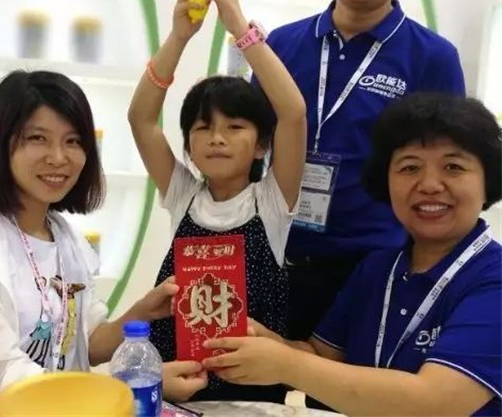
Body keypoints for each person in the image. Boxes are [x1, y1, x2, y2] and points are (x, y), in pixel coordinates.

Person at [255, 0, 466, 361]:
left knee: (343, 392)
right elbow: (249, 150)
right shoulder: (280, 46)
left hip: (372, 271)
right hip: (272, 257)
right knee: (252, 386)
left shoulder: (432, 58)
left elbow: (445, 171)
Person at [203, 93, 502, 417]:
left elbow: (437, 402)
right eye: (410, 167)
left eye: (453, 167)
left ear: (488, 180)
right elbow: (321, 355)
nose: (429, 184)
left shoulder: (492, 278)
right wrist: (267, 342)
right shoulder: (377, 267)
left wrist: (286, 364)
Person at [0, 70, 178, 417]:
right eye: (38, 138)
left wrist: (143, 312)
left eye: (73, 141)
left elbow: (85, 344)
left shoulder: (68, 239)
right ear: (1, 143)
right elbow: (1, 371)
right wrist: (113, 394)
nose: (58, 157)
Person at [128, 0, 307, 402]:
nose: (217, 138)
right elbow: (141, 119)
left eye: (235, 127)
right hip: (179, 388)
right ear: (189, 144)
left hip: (253, 395)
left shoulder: (271, 201)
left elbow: (294, 113)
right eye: (203, 128)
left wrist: (240, 29)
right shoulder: (183, 195)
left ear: (262, 144)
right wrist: (180, 36)